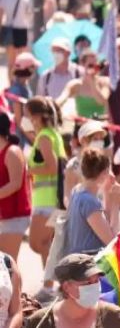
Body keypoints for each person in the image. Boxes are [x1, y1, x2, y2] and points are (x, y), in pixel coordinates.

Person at [25, 253, 120, 328]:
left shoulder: (115, 317)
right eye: (88, 282)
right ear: (66, 287)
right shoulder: (40, 322)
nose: (94, 286)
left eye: (96, 281)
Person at [23, 97, 65, 275]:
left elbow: (52, 167)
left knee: (37, 243)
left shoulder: (45, 137)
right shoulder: (52, 134)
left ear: (37, 116)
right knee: (47, 244)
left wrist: (30, 170)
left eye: (28, 115)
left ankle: (53, 281)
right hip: (53, 200)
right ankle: (50, 285)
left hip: (48, 202)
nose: (26, 119)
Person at [64, 148, 120, 255]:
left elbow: (103, 225)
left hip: (80, 264)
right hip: (90, 266)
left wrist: (107, 193)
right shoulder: (89, 202)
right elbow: (112, 242)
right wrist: (116, 204)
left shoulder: (77, 192)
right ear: (104, 173)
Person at [0, 112, 28, 260]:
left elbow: (15, 184)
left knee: (8, 265)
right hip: (4, 216)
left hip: (15, 216)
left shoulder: (12, 152)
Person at [55, 49, 110, 121]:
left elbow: (102, 101)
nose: (94, 68)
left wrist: (92, 82)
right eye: (90, 65)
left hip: (100, 127)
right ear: (83, 65)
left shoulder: (104, 81)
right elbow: (62, 99)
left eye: (96, 65)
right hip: (82, 128)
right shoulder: (75, 84)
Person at [0, 0, 33, 77]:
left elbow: (1, 15)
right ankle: (19, 81)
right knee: (21, 59)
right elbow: (29, 14)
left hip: (9, 29)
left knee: (11, 61)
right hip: (22, 29)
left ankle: (11, 84)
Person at [8, 53, 38, 142]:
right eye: (33, 67)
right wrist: (32, 139)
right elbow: (19, 120)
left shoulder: (25, 85)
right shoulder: (17, 90)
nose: (35, 69)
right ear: (28, 69)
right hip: (20, 137)